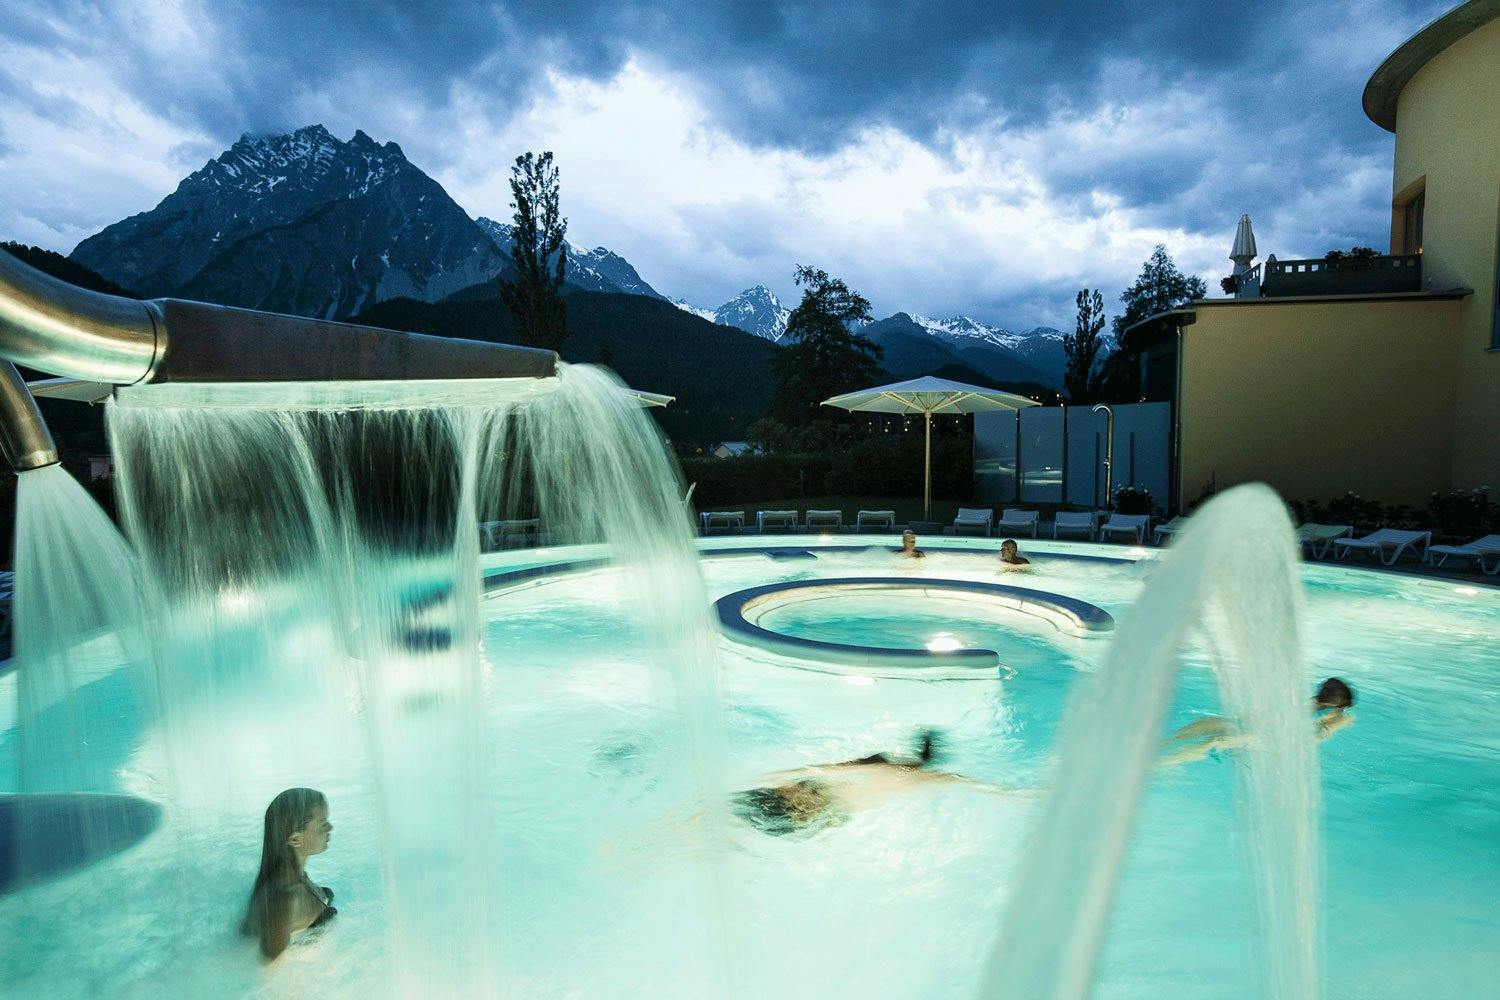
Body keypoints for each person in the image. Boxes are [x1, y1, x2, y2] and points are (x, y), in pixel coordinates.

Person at [730, 730, 1004, 838]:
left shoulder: (878, 761)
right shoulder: (921, 777)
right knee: (740, 824)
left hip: (811, 793)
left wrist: (779, 777)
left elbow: (826, 768)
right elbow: (973, 785)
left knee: (734, 813)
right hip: (821, 806)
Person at [1160, 677, 1356, 767]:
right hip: (1265, 729)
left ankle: (1166, 763)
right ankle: (1163, 745)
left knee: (1217, 740)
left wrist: (1333, 721)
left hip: (1275, 742)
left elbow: (1303, 740)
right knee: (1205, 723)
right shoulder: (1313, 704)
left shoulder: (1332, 722)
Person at [241, 788, 336, 960]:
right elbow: (270, 966)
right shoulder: (284, 898)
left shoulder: (297, 876)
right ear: (295, 839)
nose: (330, 827)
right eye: (323, 824)